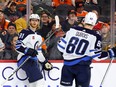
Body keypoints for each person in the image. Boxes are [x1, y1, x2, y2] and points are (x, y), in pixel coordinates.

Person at [57, 12, 116, 87]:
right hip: (82, 68)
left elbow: (60, 47)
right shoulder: (95, 36)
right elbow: (97, 56)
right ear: (95, 23)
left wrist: (71, 54)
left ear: (84, 20)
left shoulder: (72, 30)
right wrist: (111, 53)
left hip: (67, 67)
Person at [16, 14, 52, 87]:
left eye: (36, 20)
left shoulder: (38, 35)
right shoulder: (24, 32)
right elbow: (18, 46)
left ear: (38, 22)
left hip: (33, 61)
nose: (34, 22)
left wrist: (44, 62)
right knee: (40, 82)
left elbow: (38, 52)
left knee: (33, 83)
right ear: (29, 22)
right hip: (24, 59)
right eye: (32, 20)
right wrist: (28, 50)